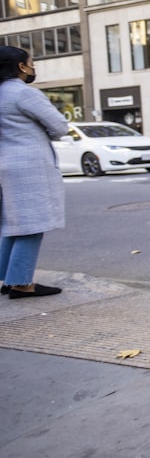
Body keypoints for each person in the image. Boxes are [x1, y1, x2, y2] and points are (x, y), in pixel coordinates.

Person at [0, 45, 69, 299]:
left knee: (11, 224)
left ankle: (7, 278)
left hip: (5, 165)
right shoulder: (23, 94)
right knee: (31, 224)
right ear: (20, 66)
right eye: (31, 62)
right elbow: (59, 126)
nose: (32, 67)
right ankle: (21, 283)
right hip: (29, 166)